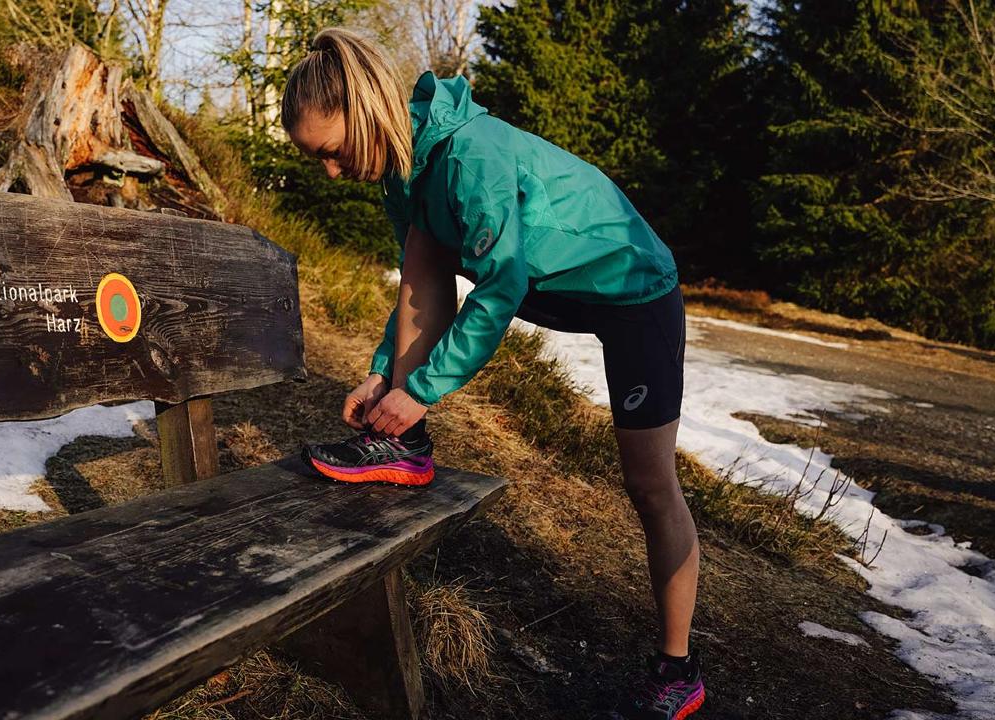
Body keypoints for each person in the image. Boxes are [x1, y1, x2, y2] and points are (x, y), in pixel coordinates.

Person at [284, 27, 703, 720]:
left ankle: (678, 667)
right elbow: (424, 290)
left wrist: (420, 392)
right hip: (555, 285)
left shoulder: (470, 156)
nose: (330, 173)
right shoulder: (403, 169)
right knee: (422, 245)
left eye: (330, 153)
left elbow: (497, 291)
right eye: (314, 160)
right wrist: (384, 375)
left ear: (367, 113)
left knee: (650, 486)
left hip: (634, 291)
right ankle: (406, 451)